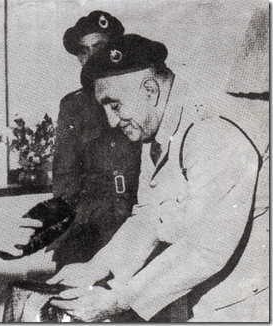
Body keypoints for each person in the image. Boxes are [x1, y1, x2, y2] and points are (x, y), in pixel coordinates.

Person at [47, 34, 269, 322]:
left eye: (114, 105)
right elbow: (149, 215)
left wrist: (118, 299)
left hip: (254, 299)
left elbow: (206, 248)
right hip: (214, 292)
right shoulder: (155, 128)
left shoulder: (212, 132)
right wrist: (94, 267)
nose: (112, 121)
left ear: (150, 90)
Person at [51, 10, 142, 270]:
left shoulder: (141, 96)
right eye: (83, 51)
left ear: (115, 50)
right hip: (89, 225)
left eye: (99, 47)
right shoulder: (73, 106)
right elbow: (65, 178)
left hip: (136, 218)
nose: (91, 57)